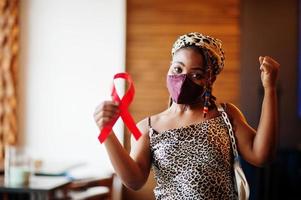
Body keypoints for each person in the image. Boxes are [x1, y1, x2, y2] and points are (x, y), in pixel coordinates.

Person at [93, 32, 280, 199]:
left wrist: (269, 88)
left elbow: (262, 155)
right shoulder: (148, 127)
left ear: (210, 79)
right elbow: (134, 181)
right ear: (169, 68)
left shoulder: (225, 115)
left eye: (196, 74)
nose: (183, 79)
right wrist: (108, 133)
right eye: (178, 69)